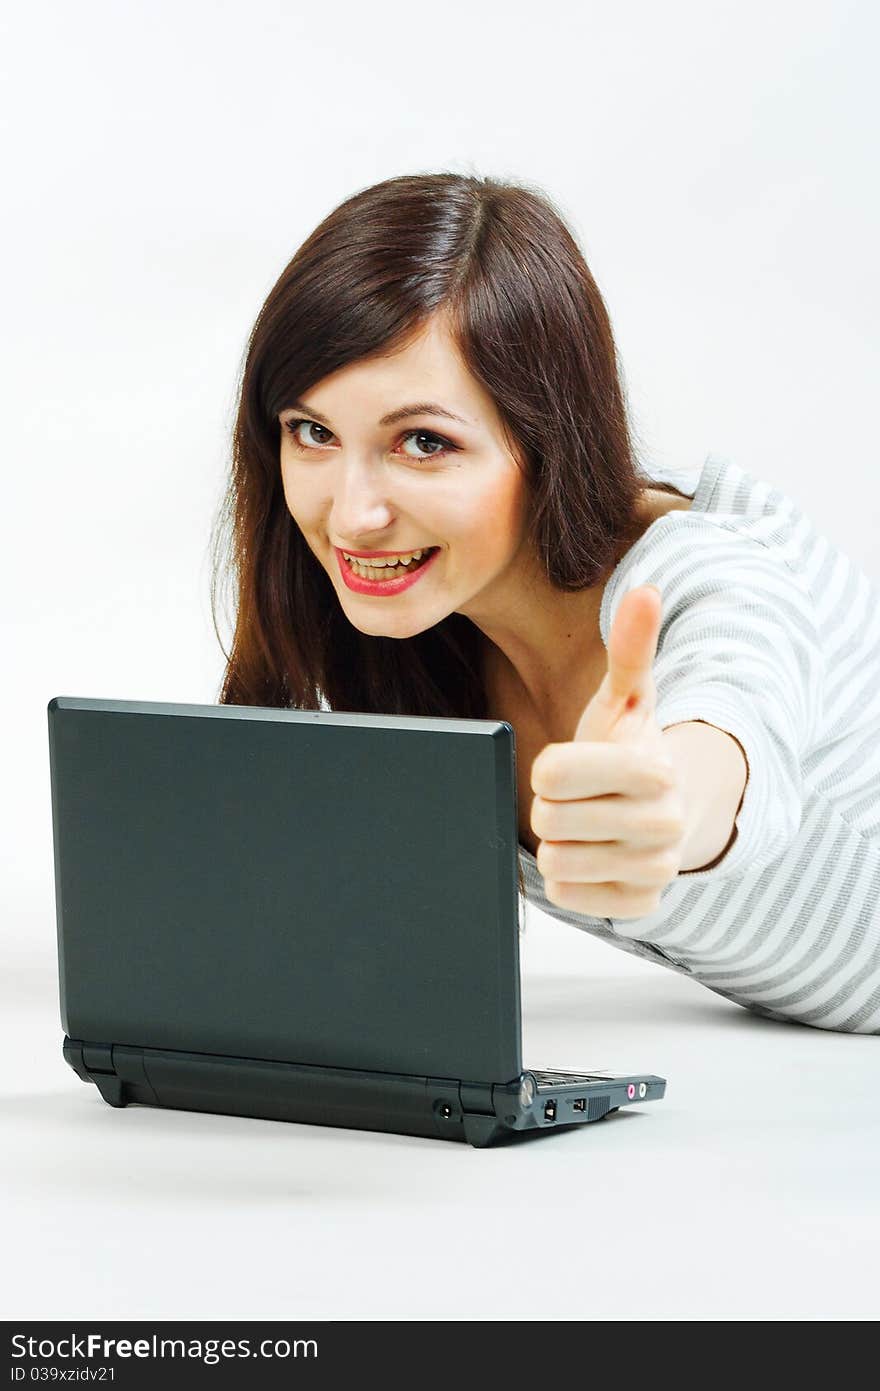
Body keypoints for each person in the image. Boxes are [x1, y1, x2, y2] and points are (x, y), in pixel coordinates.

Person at [210, 171, 880, 1034]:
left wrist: (666, 810)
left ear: (548, 437)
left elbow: (733, 727)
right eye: (313, 432)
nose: (352, 514)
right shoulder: (425, 626)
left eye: (423, 442)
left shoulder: (715, 576)